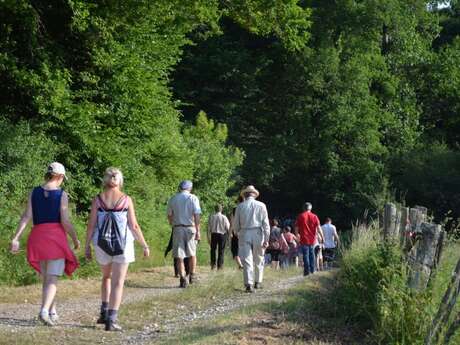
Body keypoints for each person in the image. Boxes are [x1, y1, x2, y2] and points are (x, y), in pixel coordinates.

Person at [10, 162, 80, 326]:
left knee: (47, 278)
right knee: (53, 278)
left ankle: (52, 311)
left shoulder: (34, 192)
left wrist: (16, 238)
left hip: (38, 238)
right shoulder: (61, 194)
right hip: (55, 238)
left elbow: (26, 216)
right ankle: (43, 311)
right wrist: (75, 239)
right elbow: (65, 221)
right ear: (59, 176)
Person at [85, 167, 150, 331]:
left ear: (105, 180)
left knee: (106, 277)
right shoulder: (126, 200)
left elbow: (91, 225)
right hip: (123, 245)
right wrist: (144, 245)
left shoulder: (97, 200)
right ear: (120, 181)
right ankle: (112, 320)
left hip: (102, 244)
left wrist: (87, 246)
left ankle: (104, 312)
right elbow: (134, 226)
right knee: (118, 282)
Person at [233, 185, 270, 292]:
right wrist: (266, 239)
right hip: (258, 232)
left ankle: (248, 284)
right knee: (259, 258)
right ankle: (258, 282)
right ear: (254, 194)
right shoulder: (262, 205)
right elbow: (266, 224)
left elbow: (236, 225)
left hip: (244, 232)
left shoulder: (240, 206)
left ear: (245, 194)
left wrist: (238, 233)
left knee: (247, 259)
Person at [167, 180, 201, 288]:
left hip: (178, 228)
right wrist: (198, 230)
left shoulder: (173, 198)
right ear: (189, 188)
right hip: (190, 228)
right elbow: (197, 215)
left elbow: (169, 215)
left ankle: (182, 278)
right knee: (192, 254)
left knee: (179, 255)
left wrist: (173, 223)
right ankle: (192, 275)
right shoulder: (193, 198)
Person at [294, 202, 323, 276]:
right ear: (310, 208)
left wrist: (297, 236)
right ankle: (312, 270)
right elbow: (319, 228)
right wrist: (322, 236)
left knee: (305, 255)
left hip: (303, 238)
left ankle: (306, 271)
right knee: (312, 254)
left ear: (304, 208)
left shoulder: (300, 216)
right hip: (312, 239)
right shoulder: (314, 216)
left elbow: (296, 227)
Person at [207, 204, 230, 270]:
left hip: (214, 234)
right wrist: (228, 237)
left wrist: (208, 237)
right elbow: (228, 227)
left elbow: (208, 228)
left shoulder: (211, 216)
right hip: (222, 235)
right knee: (221, 250)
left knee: (213, 250)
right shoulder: (224, 217)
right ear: (221, 209)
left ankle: (213, 264)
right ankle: (220, 266)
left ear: (215, 209)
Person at [230, 197, 244, 270]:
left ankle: (240, 265)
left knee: (235, 250)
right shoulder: (246, 208)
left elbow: (232, 222)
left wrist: (231, 232)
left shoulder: (235, 209)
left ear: (238, 201)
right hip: (245, 231)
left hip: (236, 231)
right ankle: (243, 264)